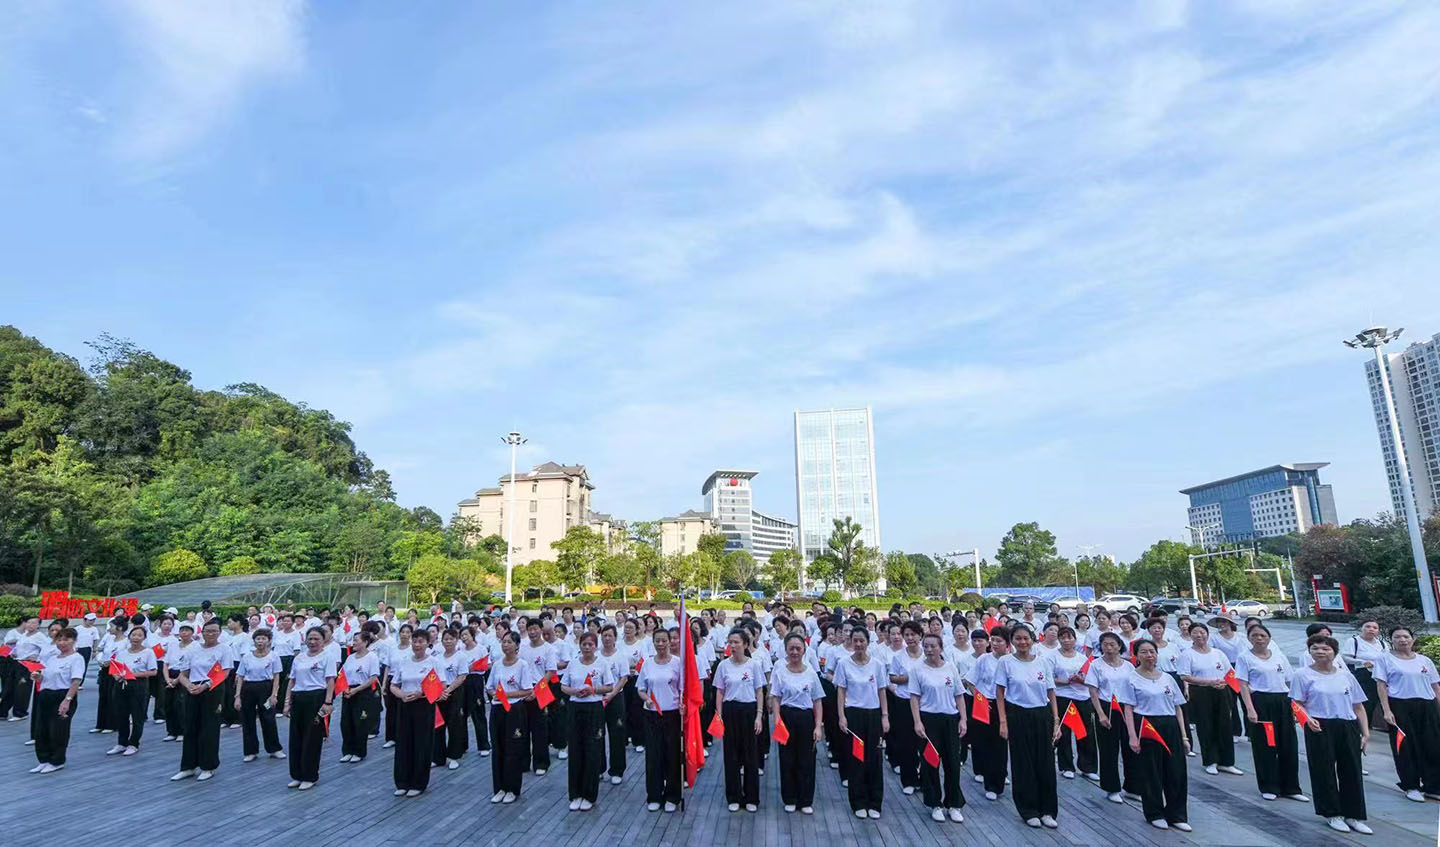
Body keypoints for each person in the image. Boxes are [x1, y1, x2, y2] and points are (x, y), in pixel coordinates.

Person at [1292, 634, 1372, 834]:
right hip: (1319, 725)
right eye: (1315, 648)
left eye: (1325, 648)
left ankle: (1354, 815)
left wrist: (1365, 733)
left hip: (1347, 726)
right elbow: (1296, 703)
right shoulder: (1302, 675)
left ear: (1334, 653)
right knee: (1323, 770)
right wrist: (1307, 719)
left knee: (1352, 770)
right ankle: (1332, 813)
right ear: (1309, 651)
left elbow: (1358, 706)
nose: (1320, 652)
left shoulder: (1345, 675)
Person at [1121, 639, 1191, 831]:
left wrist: (1184, 736)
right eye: (1144, 652)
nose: (1149, 655)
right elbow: (1128, 708)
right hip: (1146, 725)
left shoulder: (1168, 678)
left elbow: (1177, 707)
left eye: (1152, 651)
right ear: (1136, 655)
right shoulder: (1130, 678)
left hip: (1169, 726)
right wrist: (1132, 736)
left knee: (1176, 771)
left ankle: (1177, 814)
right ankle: (1154, 813)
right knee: (1151, 772)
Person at [996, 625, 1060, 829]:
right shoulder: (1006, 662)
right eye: (1017, 638)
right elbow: (999, 693)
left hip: (1042, 714)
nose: (1022, 642)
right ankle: (1028, 809)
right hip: (1017, 714)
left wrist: (1056, 720)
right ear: (1011, 641)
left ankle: (1048, 810)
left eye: (1026, 638)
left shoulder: (1042, 662)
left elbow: (1051, 692)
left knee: (1046, 763)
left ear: (1032, 640)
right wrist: (1003, 722)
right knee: (1023, 763)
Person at [1235, 623, 1305, 801]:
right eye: (1255, 635)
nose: (1259, 639)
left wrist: (1296, 708)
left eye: (1262, 635)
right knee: (1265, 745)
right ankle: (1269, 786)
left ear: (1269, 638)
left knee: (1288, 744)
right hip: (1261, 702)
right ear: (1249, 638)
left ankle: (1291, 787)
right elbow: (1242, 684)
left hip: (1282, 701)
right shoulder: (1245, 658)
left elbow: (1290, 682)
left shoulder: (1279, 656)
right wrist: (1250, 709)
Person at [1375, 625, 1440, 802]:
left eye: (1405, 636)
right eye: (1397, 637)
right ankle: (1411, 786)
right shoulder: (1385, 659)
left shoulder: (1424, 660)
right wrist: (1386, 711)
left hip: (1427, 706)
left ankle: (1433, 786)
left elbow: (1435, 686)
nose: (1402, 640)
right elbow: (1381, 686)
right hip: (1400, 706)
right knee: (1405, 747)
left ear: (1412, 639)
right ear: (1392, 640)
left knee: (1433, 746)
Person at [908, 632, 967, 824]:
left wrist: (963, 719)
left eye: (933, 646)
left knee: (952, 763)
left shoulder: (950, 667)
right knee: (930, 764)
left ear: (941, 648)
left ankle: (954, 803)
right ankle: (935, 803)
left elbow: (959, 695)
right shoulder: (918, 669)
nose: (929, 649)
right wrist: (917, 721)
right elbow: (914, 698)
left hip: (950, 719)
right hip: (928, 720)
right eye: (926, 646)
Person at [834, 626, 888, 820]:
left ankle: (875, 802)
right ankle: (858, 802)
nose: (858, 644)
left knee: (874, 758)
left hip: (873, 715)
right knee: (856, 759)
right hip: (853, 714)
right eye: (855, 640)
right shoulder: (843, 664)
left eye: (862, 641)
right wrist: (841, 715)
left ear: (867, 642)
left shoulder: (877, 665)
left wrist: (885, 716)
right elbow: (841, 691)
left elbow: (882, 690)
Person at [770, 631, 823, 815]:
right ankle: (790, 798)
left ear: (804, 650)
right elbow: (776, 697)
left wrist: (818, 726)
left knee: (807, 759)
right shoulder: (780, 671)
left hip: (806, 718)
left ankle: (806, 799)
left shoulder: (811, 673)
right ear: (786, 650)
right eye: (791, 648)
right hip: (786, 716)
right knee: (787, 759)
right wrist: (777, 720)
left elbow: (817, 700)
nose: (794, 652)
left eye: (798, 648)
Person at [1178, 622, 1241, 776]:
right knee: (1206, 726)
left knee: (1225, 725)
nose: (1200, 636)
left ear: (1207, 634)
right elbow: (1184, 675)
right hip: (1201, 693)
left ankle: (1227, 762)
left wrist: (1224, 683)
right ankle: (1210, 760)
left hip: (1221, 691)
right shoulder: (1188, 654)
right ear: (1191, 635)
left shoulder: (1218, 653)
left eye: (1203, 632)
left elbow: (1230, 672)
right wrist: (1209, 682)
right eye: (1196, 633)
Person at [713, 628, 766, 813]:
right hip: (730, 711)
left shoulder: (753, 665)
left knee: (751, 755)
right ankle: (733, 796)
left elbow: (759, 691)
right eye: (730, 642)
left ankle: (751, 797)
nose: (733, 646)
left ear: (745, 644)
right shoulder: (723, 666)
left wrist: (759, 715)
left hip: (749, 710)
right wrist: (719, 715)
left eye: (736, 642)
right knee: (731, 755)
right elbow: (719, 692)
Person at [172, 619, 232, 782]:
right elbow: (183, 674)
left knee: (209, 728)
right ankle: (188, 766)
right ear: (202, 633)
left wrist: (205, 686)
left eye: (214, 631)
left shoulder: (224, 649)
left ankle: (208, 766)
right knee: (190, 727)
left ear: (219, 632)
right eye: (207, 631)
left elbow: (224, 673)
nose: (210, 634)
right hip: (192, 689)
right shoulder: (193, 650)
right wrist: (189, 685)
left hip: (213, 689)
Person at [561, 631, 613, 812]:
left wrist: (593, 690)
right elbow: (563, 686)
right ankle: (575, 793)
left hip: (594, 708)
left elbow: (609, 686)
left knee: (592, 751)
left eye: (591, 644)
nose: (587, 647)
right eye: (584, 644)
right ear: (580, 646)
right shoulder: (573, 664)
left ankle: (589, 794)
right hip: (575, 708)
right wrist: (574, 691)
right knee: (575, 750)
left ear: (595, 646)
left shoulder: (602, 664)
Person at [1086, 631, 1137, 803]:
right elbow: (1093, 691)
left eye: (1112, 644)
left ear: (1119, 646)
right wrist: (1100, 714)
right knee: (1109, 749)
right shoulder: (1096, 665)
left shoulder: (1128, 666)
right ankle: (1111, 787)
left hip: (1126, 708)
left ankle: (1133, 787)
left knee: (1131, 748)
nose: (1109, 648)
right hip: (1106, 706)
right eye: (1105, 644)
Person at [390, 629, 442, 797]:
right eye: (415, 641)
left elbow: (441, 686)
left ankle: (418, 783)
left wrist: (422, 693)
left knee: (421, 743)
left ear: (428, 643)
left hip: (424, 705)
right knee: (403, 742)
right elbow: (393, 685)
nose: (417, 645)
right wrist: (402, 695)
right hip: (405, 705)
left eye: (421, 641)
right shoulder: (404, 661)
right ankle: (402, 781)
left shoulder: (434, 662)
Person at [635, 628, 682, 812]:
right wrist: (646, 698)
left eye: (664, 640)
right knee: (653, 756)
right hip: (652, 714)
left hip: (672, 714)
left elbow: (683, 689)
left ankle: (672, 796)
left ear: (670, 642)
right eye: (657, 641)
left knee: (672, 755)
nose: (661, 644)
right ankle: (654, 795)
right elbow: (640, 688)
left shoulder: (678, 663)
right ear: (653, 642)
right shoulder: (648, 663)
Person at [284, 626, 336, 790]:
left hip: (316, 697)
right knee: (296, 737)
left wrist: (327, 702)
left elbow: (330, 680)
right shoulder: (299, 657)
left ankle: (310, 775)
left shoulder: (327, 656)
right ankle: (297, 775)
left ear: (323, 640)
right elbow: (292, 680)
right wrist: (287, 702)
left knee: (312, 737)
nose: (313, 642)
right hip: (299, 697)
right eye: (310, 638)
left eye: (316, 639)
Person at [488, 630, 536, 803]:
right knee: (498, 747)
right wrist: (495, 693)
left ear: (516, 645)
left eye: (509, 642)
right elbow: (490, 686)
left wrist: (507, 696)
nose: (505, 645)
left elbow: (527, 690)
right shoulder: (497, 664)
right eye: (503, 641)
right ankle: (499, 787)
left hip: (515, 710)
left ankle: (512, 788)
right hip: (497, 708)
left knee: (512, 748)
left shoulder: (522, 665)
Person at [28, 627, 84, 773]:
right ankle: (44, 759)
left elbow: (76, 681)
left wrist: (67, 700)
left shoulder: (76, 658)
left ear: (74, 641)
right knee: (42, 730)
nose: (62, 643)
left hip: (63, 695)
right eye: (59, 639)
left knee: (58, 730)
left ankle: (57, 760)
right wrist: (37, 677)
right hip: (46, 695)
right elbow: (44, 677)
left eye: (66, 639)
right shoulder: (52, 658)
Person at [964, 627, 1010, 800]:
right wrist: (980, 698)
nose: (995, 644)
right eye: (993, 640)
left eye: (999, 641)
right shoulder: (984, 659)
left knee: (1001, 743)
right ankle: (989, 781)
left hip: (1005, 704)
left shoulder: (1011, 661)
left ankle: (999, 776)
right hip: (984, 703)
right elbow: (970, 681)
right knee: (985, 742)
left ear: (1007, 643)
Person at [1050, 626, 1096, 781]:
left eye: (1069, 637)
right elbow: (1048, 679)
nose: (1066, 640)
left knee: (1085, 732)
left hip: (1082, 697)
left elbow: (1090, 679)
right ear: (1059, 639)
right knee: (1064, 733)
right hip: (1062, 696)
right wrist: (1064, 682)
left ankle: (1088, 766)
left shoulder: (1082, 658)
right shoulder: (1052, 657)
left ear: (1075, 639)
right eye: (1063, 637)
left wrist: (1080, 680)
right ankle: (1066, 766)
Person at [234, 628, 285, 763]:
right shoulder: (246, 657)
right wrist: (237, 696)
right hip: (248, 688)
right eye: (258, 639)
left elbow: (276, 677)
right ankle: (251, 751)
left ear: (269, 641)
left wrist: (274, 694)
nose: (260, 641)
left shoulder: (274, 656)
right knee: (248, 720)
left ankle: (274, 749)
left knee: (268, 718)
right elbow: (240, 676)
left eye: (263, 638)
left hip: (266, 688)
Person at [107, 625, 159, 756]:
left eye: (139, 635)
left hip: (139, 686)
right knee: (121, 715)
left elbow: (153, 672)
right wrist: (117, 676)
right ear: (129, 636)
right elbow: (114, 668)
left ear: (144, 638)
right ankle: (121, 742)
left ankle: (134, 743)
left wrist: (133, 675)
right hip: (121, 685)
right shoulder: (122, 652)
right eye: (134, 635)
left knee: (137, 715)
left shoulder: (148, 652)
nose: (136, 637)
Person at [886, 621, 925, 795]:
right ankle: (909, 780)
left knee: (925, 743)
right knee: (906, 742)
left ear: (920, 636)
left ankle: (926, 780)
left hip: (925, 703)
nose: (910, 638)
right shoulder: (899, 657)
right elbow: (892, 678)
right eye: (906, 635)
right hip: (904, 701)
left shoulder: (928, 654)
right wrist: (908, 678)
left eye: (913, 635)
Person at [339, 630, 381, 763]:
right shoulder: (350, 657)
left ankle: (359, 751)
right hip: (348, 692)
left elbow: (373, 677)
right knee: (346, 722)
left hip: (363, 693)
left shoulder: (372, 657)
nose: (354, 643)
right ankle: (347, 750)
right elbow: (342, 674)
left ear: (365, 642)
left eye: (356, 640)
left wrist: (356, 690)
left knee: (360, 722)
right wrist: (344, 689)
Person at [597, 624, 630, 785]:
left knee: (617, 733)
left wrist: (612, 694)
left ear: (615, 637)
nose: (607, 638)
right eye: (604, 635)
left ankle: (617, 770)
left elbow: (624, 678)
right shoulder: (596, 656)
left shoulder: (620, 656)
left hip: (616, 697)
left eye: (610, 635)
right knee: (598, 733)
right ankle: (599, 768)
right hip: (597, 697)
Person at [433, 628, 469, 770]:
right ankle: (437, 757)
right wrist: (439, 691)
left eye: (451, 639)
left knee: (455, 724)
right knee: (438, 725)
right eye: (445, 639)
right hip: (439, 693)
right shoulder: (437, 658)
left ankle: (454, 756)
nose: (448, 641)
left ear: (456, 640)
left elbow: (462, 676)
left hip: (455, 691)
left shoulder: (461, 656)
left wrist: (448, 690)